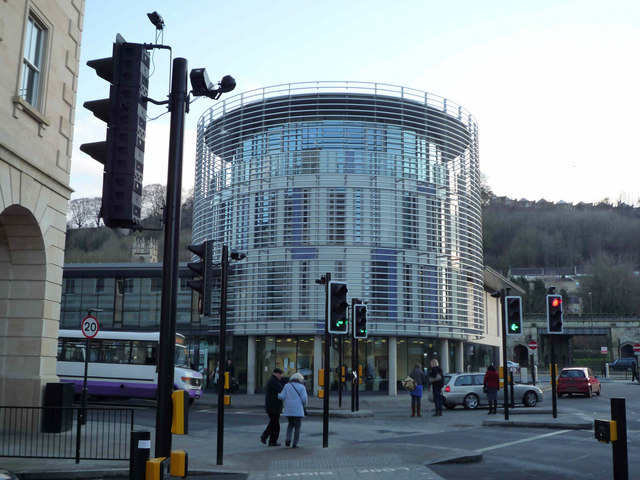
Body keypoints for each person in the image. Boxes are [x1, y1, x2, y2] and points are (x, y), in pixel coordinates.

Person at [278, 372, 308, 448]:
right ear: (300, 379)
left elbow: (281, 396)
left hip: (289, 408)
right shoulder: (302, 387)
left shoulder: (287, 386)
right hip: (298, 409)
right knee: (298, 426)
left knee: (290, 424)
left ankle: (288, 439)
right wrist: (303, 404)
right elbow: (304, 399)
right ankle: (295, 443)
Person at [261, 368, 284, 447]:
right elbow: (281, 389)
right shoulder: (273, 381)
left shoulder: (273, 381)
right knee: (274, 424)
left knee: (274, 423)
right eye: (280, 374)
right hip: (273, 406)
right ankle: (266, 436)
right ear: (276, 374)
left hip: (273, 406)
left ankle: (271, 440)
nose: (281, 376)